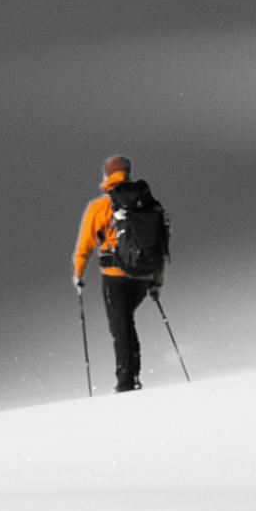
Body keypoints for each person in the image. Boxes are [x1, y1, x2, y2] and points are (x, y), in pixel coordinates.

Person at [70, 156, 170, 391]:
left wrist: (78, 275)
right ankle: (132, 375)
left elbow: (85, 245)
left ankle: (126, 381)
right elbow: (161, 241)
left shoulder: (99, 206)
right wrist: (157, 280)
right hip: (144, 275)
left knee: (120, 327)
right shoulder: (148, 203)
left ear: (107, 175)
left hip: (114, 275)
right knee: (126, 322)